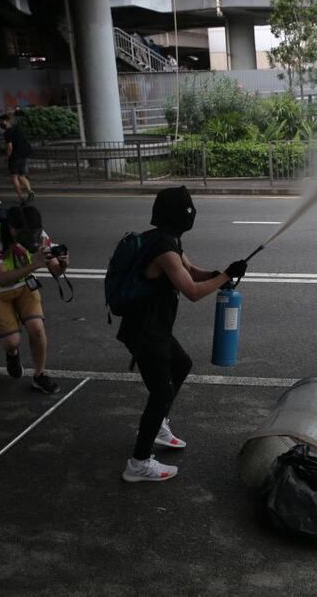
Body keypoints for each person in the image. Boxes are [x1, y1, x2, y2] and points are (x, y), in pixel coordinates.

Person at [118, 186, 248, 483]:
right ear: (178, 215)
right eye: (188, 208)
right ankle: (138, 463)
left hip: (154, 327)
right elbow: (192, 291)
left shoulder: (168, 240)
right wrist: (224, 277)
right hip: (144, 331)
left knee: (181, 364)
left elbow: (191, 271)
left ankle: (158, 425)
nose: (192, 212)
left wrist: (219, 273)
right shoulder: (163, 249)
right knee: (161, 391)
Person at [0, 205, 68, 394]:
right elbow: (2, 278)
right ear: (11, 227)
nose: (32, 240)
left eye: (35, 233)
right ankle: (12, 354)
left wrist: (63, 263)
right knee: (12, 342)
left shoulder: (40, 235)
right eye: (25, 235)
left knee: (37, 328)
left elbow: (56, 270)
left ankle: (39, 375)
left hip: (25, 285)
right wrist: (34, 264)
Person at [0, 114, 34, 203]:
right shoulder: (18, 129)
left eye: (1, 121)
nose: (0, 123)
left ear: (6, 121)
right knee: (21, 175)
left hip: (15, 156)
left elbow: (9, 146)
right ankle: (30, 191)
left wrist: (7, 156)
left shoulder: (7, 133)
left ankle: (20, 197)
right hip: (24, 154)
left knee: (14, 176)